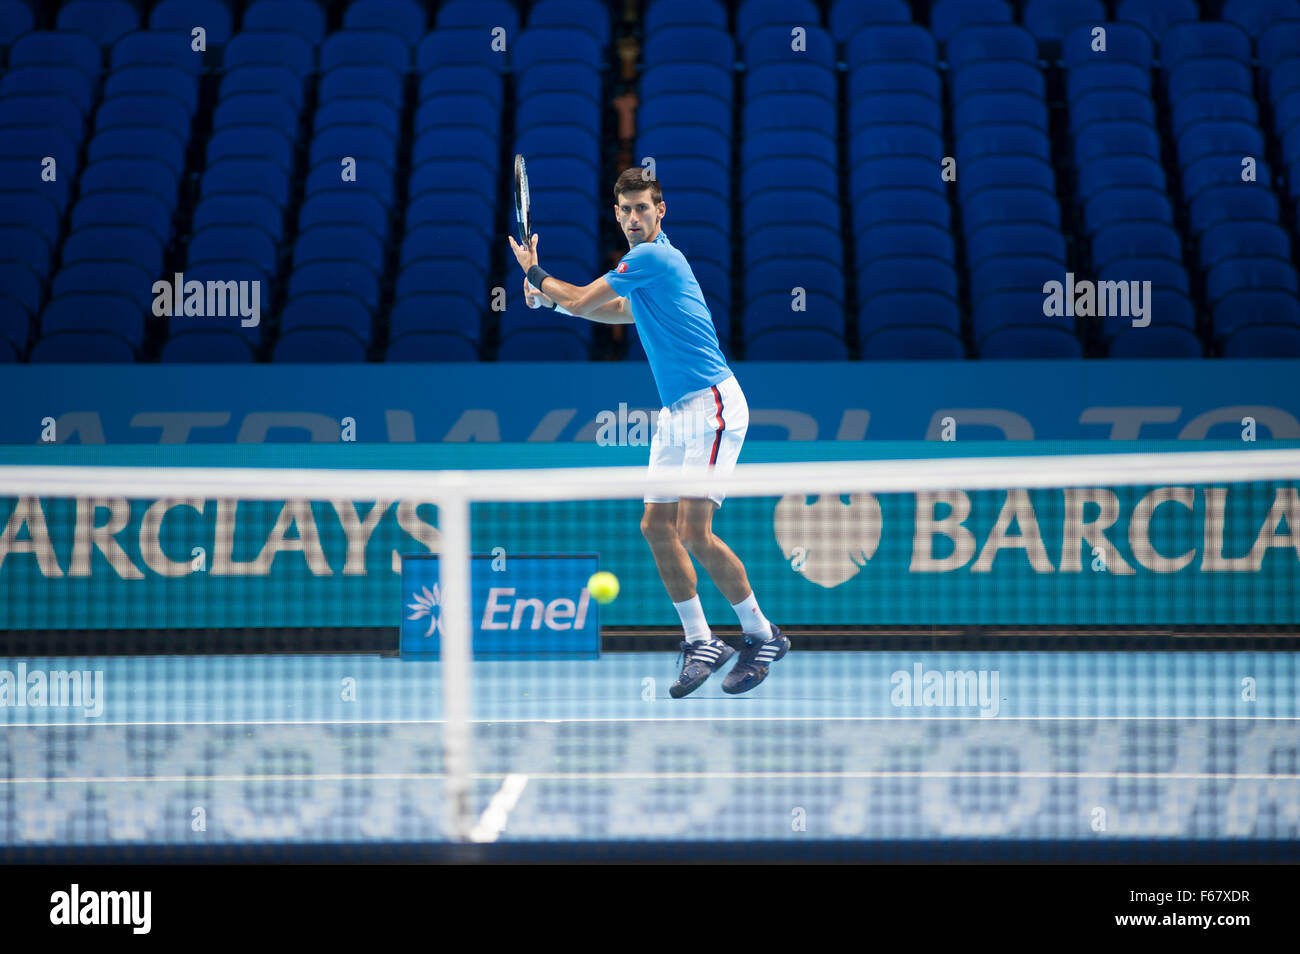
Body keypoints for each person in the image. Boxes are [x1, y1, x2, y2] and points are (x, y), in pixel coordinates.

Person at [508, 168, 788, 697]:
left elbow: (582, 298)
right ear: (616, 215)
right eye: (627, 210)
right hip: (676, 412)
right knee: (656, 526)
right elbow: (617, 311)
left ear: (661, 212)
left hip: (713, 403)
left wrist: (537, 274)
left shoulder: (654, 256)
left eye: (644, 208)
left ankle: (761, 633)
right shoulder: (645, 272)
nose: (635, 218)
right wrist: (551, 299)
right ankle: (701, 640)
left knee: (694, 531)